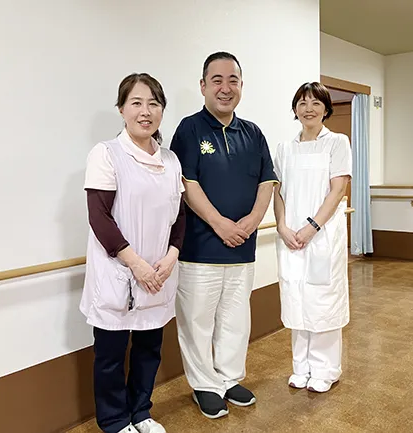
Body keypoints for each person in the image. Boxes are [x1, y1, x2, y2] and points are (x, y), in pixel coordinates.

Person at [169, 52, 278, 419]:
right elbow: (187, 182)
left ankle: (229, 378)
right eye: (217, 80)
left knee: (235, 319)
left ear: (241, 86)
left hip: (243, 247)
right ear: (203, 86)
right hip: (200, 249)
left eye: (233, 80)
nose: (225, 87)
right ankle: (204, 384)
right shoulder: (189, 129)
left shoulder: (253, 133)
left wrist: (253, 220)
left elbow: (267, 181)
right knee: (197, 321)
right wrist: (219, 224)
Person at [80, 73, 185, 433]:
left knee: (148, 350)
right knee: (110, 355)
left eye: (154, 103)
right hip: (120, 273)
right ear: (122, 109)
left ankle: (141, 412)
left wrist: (171, 256)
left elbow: (179, 216)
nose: (145, 111)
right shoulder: (107, 154)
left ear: (162, 111)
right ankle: (114, 421)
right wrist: (137, 265)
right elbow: (100, 217)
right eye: (136, 103)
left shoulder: (171, 160)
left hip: (158, 274)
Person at [273, 82, 352, 394]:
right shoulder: (285, 148)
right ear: (295, 109)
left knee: (323, 300)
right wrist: (282, 226)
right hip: (291, 236)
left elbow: (338, 189)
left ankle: (325, 369)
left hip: (322, 235)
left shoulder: (337, 143)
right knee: (296, 297)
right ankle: (301, 367)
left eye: (316, 103)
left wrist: (312, 227)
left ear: (326, 109)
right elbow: (278, 191)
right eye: (302, 103)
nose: (308, 109)